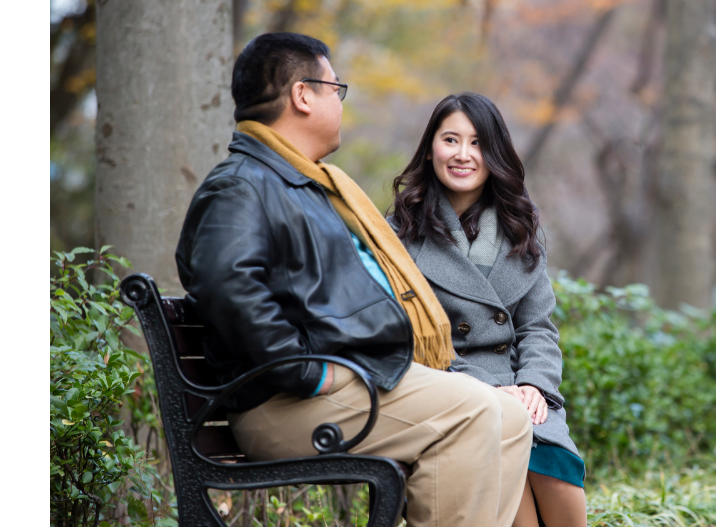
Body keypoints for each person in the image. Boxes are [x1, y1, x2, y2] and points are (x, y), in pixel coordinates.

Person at [174, 33, 533, 527]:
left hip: (347, 381)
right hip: (286, 403)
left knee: (511, 419)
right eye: (334, 89)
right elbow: (226, 282)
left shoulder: (307, 185)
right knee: (473, 411)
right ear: (303, 95)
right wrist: (306, 372)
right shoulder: (242, 184)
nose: (338, 103)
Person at [388, 93, 587, 527]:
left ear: (495, 152)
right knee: (517, 501)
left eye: (477, 143)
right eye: (451, 140)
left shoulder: (522, 225)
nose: (463, 155)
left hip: (522, 388)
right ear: (430, 149)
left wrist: (535, 384)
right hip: (457, 393)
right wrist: (487, 390)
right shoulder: (399, 233)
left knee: (558, 478)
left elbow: (538, 327)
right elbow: (406, 337)